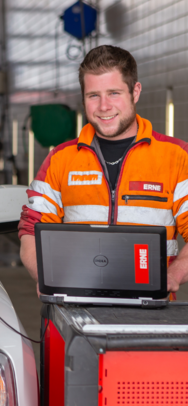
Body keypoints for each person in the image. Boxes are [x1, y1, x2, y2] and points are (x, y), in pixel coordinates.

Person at [19, 45, 188, 296]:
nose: (104, 106)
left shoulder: (177, 157)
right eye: (93, 95)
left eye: (114, 93)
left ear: (135, 92)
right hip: (76, 305)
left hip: (150, 308)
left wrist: (173, 275)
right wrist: (46, 277)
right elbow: (31, 230)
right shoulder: (60, 160)